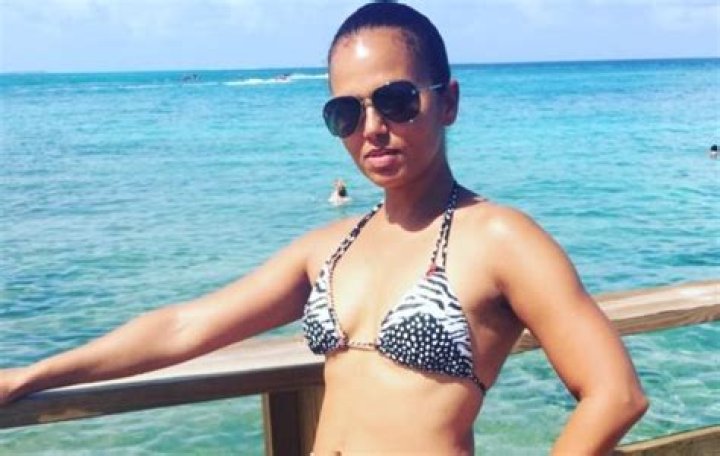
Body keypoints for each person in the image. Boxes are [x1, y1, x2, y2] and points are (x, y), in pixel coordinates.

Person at [0, 3, 647, 454]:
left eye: (396, 100)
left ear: (447, 101)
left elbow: (615, 394)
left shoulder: (499, 238)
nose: (373, 128)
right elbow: (184, 327)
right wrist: (31, 376)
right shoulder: (329, 249)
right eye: (347, 112)